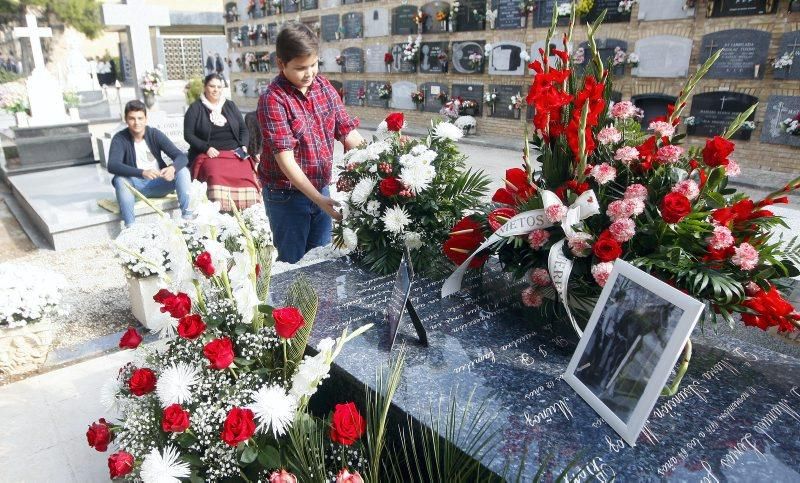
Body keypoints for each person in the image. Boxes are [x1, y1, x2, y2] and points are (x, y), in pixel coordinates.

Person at [257, 22, 364, 263]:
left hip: (321, 189)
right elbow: (286, 161)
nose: (309, 73)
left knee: (322, 264)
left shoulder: (324, 87)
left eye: (314, 64)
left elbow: (347, 131)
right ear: (281, 64)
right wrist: (319, 199)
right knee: (293, 266)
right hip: (285, 195)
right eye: (300, 68)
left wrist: (381, 158)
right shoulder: (273, 100)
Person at [107, 100, 193, 227]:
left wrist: (172, 168)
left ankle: (187, 219)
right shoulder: (120, 138)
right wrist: (142, 172)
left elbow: (181, 156)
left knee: (183, 170)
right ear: (126, 119)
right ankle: (131, 228)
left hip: (159, 183)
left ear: (146, 119)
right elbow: (113, 165)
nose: (137, 122)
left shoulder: (154, 134)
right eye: (132, 118)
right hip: (134, 187)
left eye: (140, 118)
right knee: (120, 180)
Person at [184, 73, 259, 211]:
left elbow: (243, 129)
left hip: (235, 152)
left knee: (246, 174)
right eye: (212, 86)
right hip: (210, 153)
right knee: (215, 174)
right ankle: (220, 211)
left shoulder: (229, 105)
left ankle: (249, 212)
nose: (215, 90)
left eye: (219, 87)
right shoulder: (196, 108)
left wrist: (243, 145)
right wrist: (206, 148)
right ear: (205, 87)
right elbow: (188, 135)